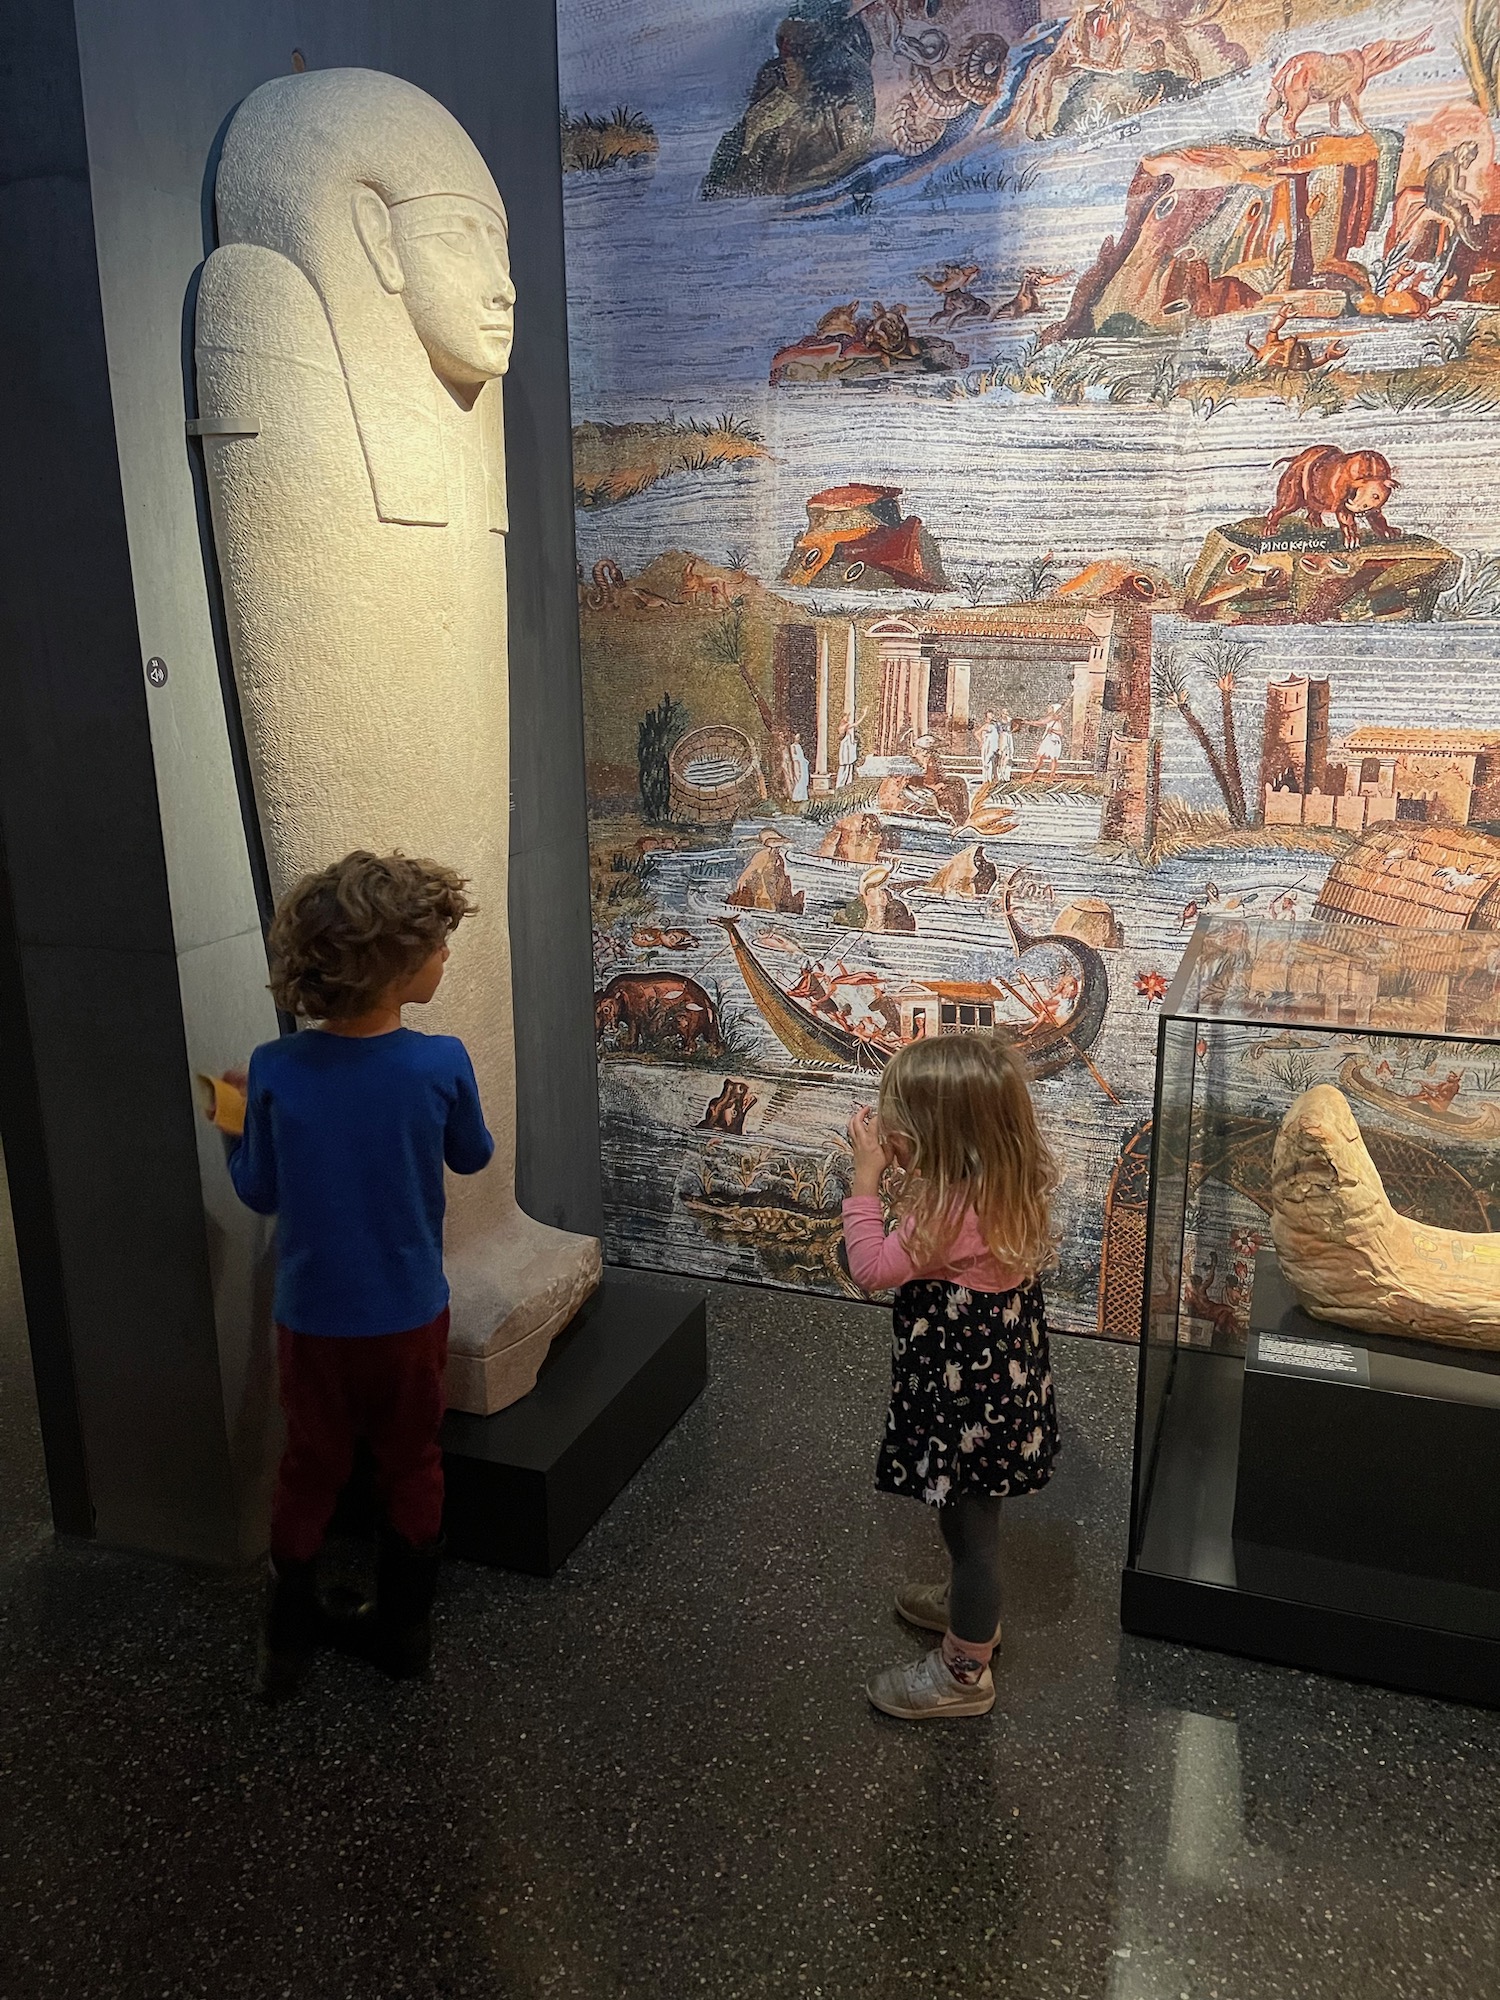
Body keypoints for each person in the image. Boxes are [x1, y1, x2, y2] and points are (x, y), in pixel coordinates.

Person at [216, 851, 495, 1701]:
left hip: (312, 1323)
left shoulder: (271, 1070)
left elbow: (259, 1191)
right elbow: (473, 1155)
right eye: (439, 948)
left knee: (310, 1467)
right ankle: (405, 1634)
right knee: (412, 1465)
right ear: (395, 967)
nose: (447, 959)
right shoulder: (441, 1062)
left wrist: (230, 1122)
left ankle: (287, 1641)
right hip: (410, 1317)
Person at [842, 1035, 1060, 1720]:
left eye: (897, 1117)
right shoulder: (996, 1181)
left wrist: (865, 1182)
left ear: (937, 1132)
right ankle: (968, 1610)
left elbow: (870, 1270)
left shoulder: (942, 1212)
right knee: (968, 1521)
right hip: (991, 1387)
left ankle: (965, 1671)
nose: (885, 1126)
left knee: (973, 1542)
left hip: (966, 1396)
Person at [789, 735, 811, 803]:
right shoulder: (793, 746)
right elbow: (794, 757)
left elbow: (801, 756)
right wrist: (798, 762)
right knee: (799, 778)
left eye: (798, 738)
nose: (797, 739)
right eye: (796, 737)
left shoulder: (798, 746)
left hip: (802, 763)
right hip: (798, 763)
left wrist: (804, 761)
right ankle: (796, 796)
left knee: (803, 779)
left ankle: (803, 796)